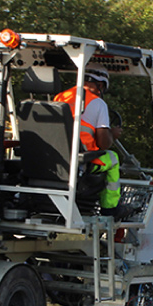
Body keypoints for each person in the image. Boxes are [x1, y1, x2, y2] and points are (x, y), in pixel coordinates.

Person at [54, 64, 124, 218]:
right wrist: (112, 133)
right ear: (100, 84)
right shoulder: (98, 103)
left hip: (56, 158)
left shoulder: (60, 97)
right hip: (82, 161)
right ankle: (109, 209)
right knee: (113, 158)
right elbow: (104, 144)